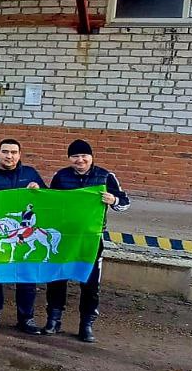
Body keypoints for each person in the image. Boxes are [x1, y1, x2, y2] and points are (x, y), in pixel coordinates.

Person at [43, 139, 130, 343]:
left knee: (90, 285)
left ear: (91, 157)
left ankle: (86, 324)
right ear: (69, 158)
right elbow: (50, 202)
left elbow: (125, 202)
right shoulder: (61, 177)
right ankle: (54, 319)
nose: (80, 160)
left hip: (91, 240)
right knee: (57, 278)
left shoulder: (105, 176)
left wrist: (113, 200)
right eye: (75, 156)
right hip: (64, 237)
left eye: (84, 156)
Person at [0, 138, 47, 335]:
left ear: (19, 155)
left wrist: (39, 190)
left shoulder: (30, 174)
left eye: (13, 152)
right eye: (5, 152)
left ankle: (26, 318)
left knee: (27, 276)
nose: (9, 156)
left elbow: (48, 199)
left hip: (25, 232)